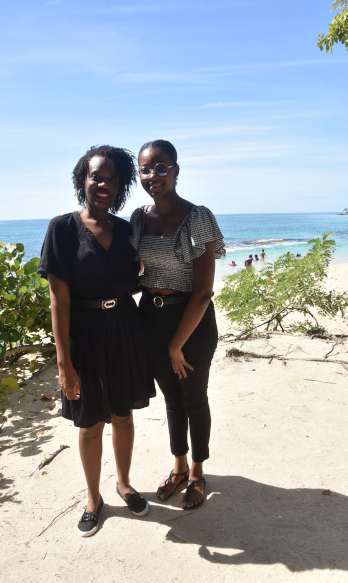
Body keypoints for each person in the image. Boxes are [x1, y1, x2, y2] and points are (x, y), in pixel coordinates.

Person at [38, 146, 155, 537]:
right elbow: (59, 299)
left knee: (123, 415)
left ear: (121, 186)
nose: (104, 184)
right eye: (96, 176)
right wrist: (63, 364)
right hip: (83, 336)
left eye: (113, 178)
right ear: (82, 180)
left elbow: (145, 271)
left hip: (124, 327)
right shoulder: (62, 228)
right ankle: (93, 498)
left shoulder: (125, 230)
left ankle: (123, 484)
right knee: (88, 423)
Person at [130, 139, 224, 510]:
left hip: (191, 322)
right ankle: (179, 466)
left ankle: (199, 472)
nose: (153, 175)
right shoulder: (139, 218)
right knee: (171, 399)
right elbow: (133, 269)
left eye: (161, 167)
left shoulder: (197, 217)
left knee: (194, 398)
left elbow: (203, 291)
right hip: (151, 318)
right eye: (145, 169)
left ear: (176, 170)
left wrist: (175, 345)